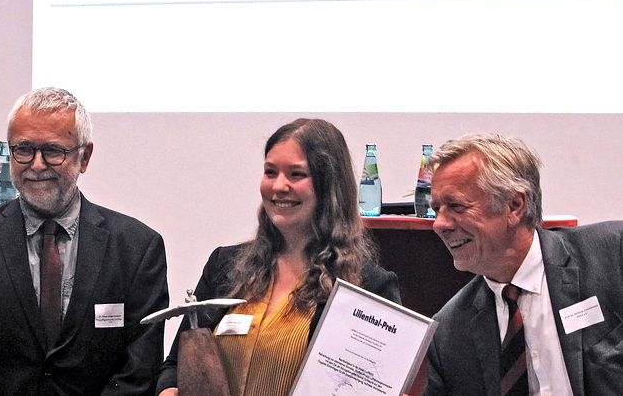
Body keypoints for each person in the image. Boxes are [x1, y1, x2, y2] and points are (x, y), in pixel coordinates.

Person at [0, 87, 169, 395]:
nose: (36, 165)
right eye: (23, 149)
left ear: (85, 156)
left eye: (53, 151)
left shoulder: (137, 249)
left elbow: (139, 372)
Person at [155, 118, 401, 396]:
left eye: (296, 175)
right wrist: (168, 390)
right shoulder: (224, 265)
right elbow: (174, 365)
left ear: (329, 186)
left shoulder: (368, 285)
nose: (279, 186)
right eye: (270, 172)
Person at [423, 133, 623, 395]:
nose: (440, 225)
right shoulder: (450, 332)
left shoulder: (612, 256)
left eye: (456, 206)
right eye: (436, 209)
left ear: (515, 206)